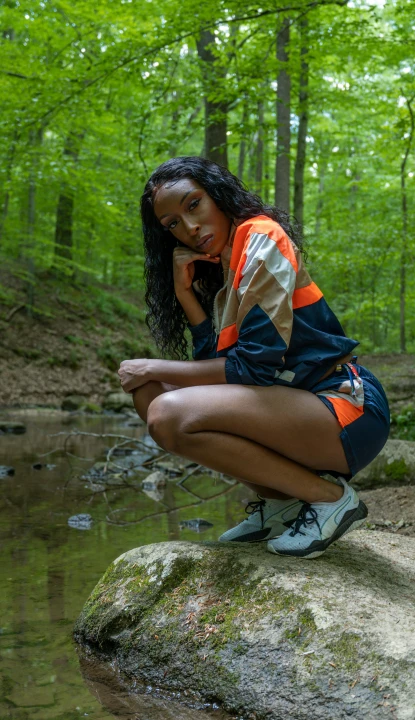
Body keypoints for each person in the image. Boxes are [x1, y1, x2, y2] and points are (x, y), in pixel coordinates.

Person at [118, 156, 390, 559]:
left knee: (166, 409)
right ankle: (282, 503)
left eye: (194, 205)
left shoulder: (261, 239)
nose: (189, 228)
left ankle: (330, 498)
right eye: (172, 223)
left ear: (218, 194)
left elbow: (250, 370)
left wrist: (152, 364)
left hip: (345, 407)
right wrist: (185, 296)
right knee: (149, 394)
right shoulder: (226, 268)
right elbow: (222, 372)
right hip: (290, 407)